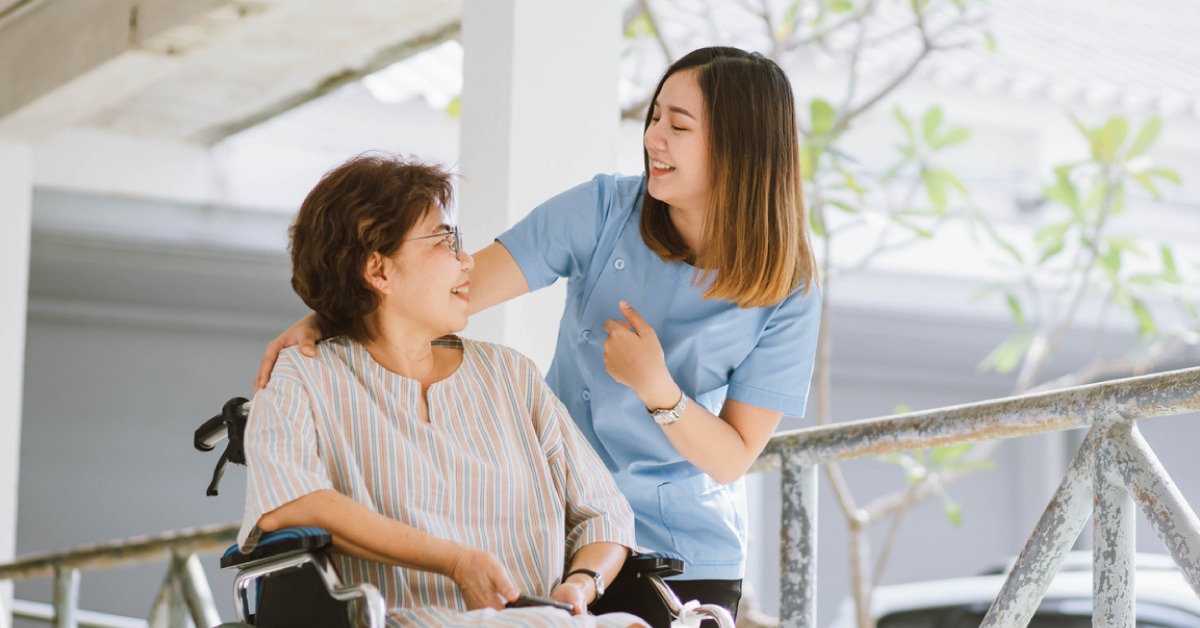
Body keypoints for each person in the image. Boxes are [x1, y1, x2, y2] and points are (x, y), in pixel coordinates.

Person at [256, 47, 821, 626]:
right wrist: (337, 311)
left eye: (678, 126)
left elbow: (733, 458)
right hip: (564, 533)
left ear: (739, 147)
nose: (653, 137)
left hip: (680, 551)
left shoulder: (789, 288)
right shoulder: (604, 210)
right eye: (654, 117)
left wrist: (658, 388)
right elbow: (446, 290)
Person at [240, 154, 647, 628]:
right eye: (444, 240)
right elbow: (289, 502)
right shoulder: (303, 376)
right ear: (378, 271)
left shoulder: (510, 375)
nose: (467, 260)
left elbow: (605, 514)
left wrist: (582, 584)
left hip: (546, 618)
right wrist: (455, 561)